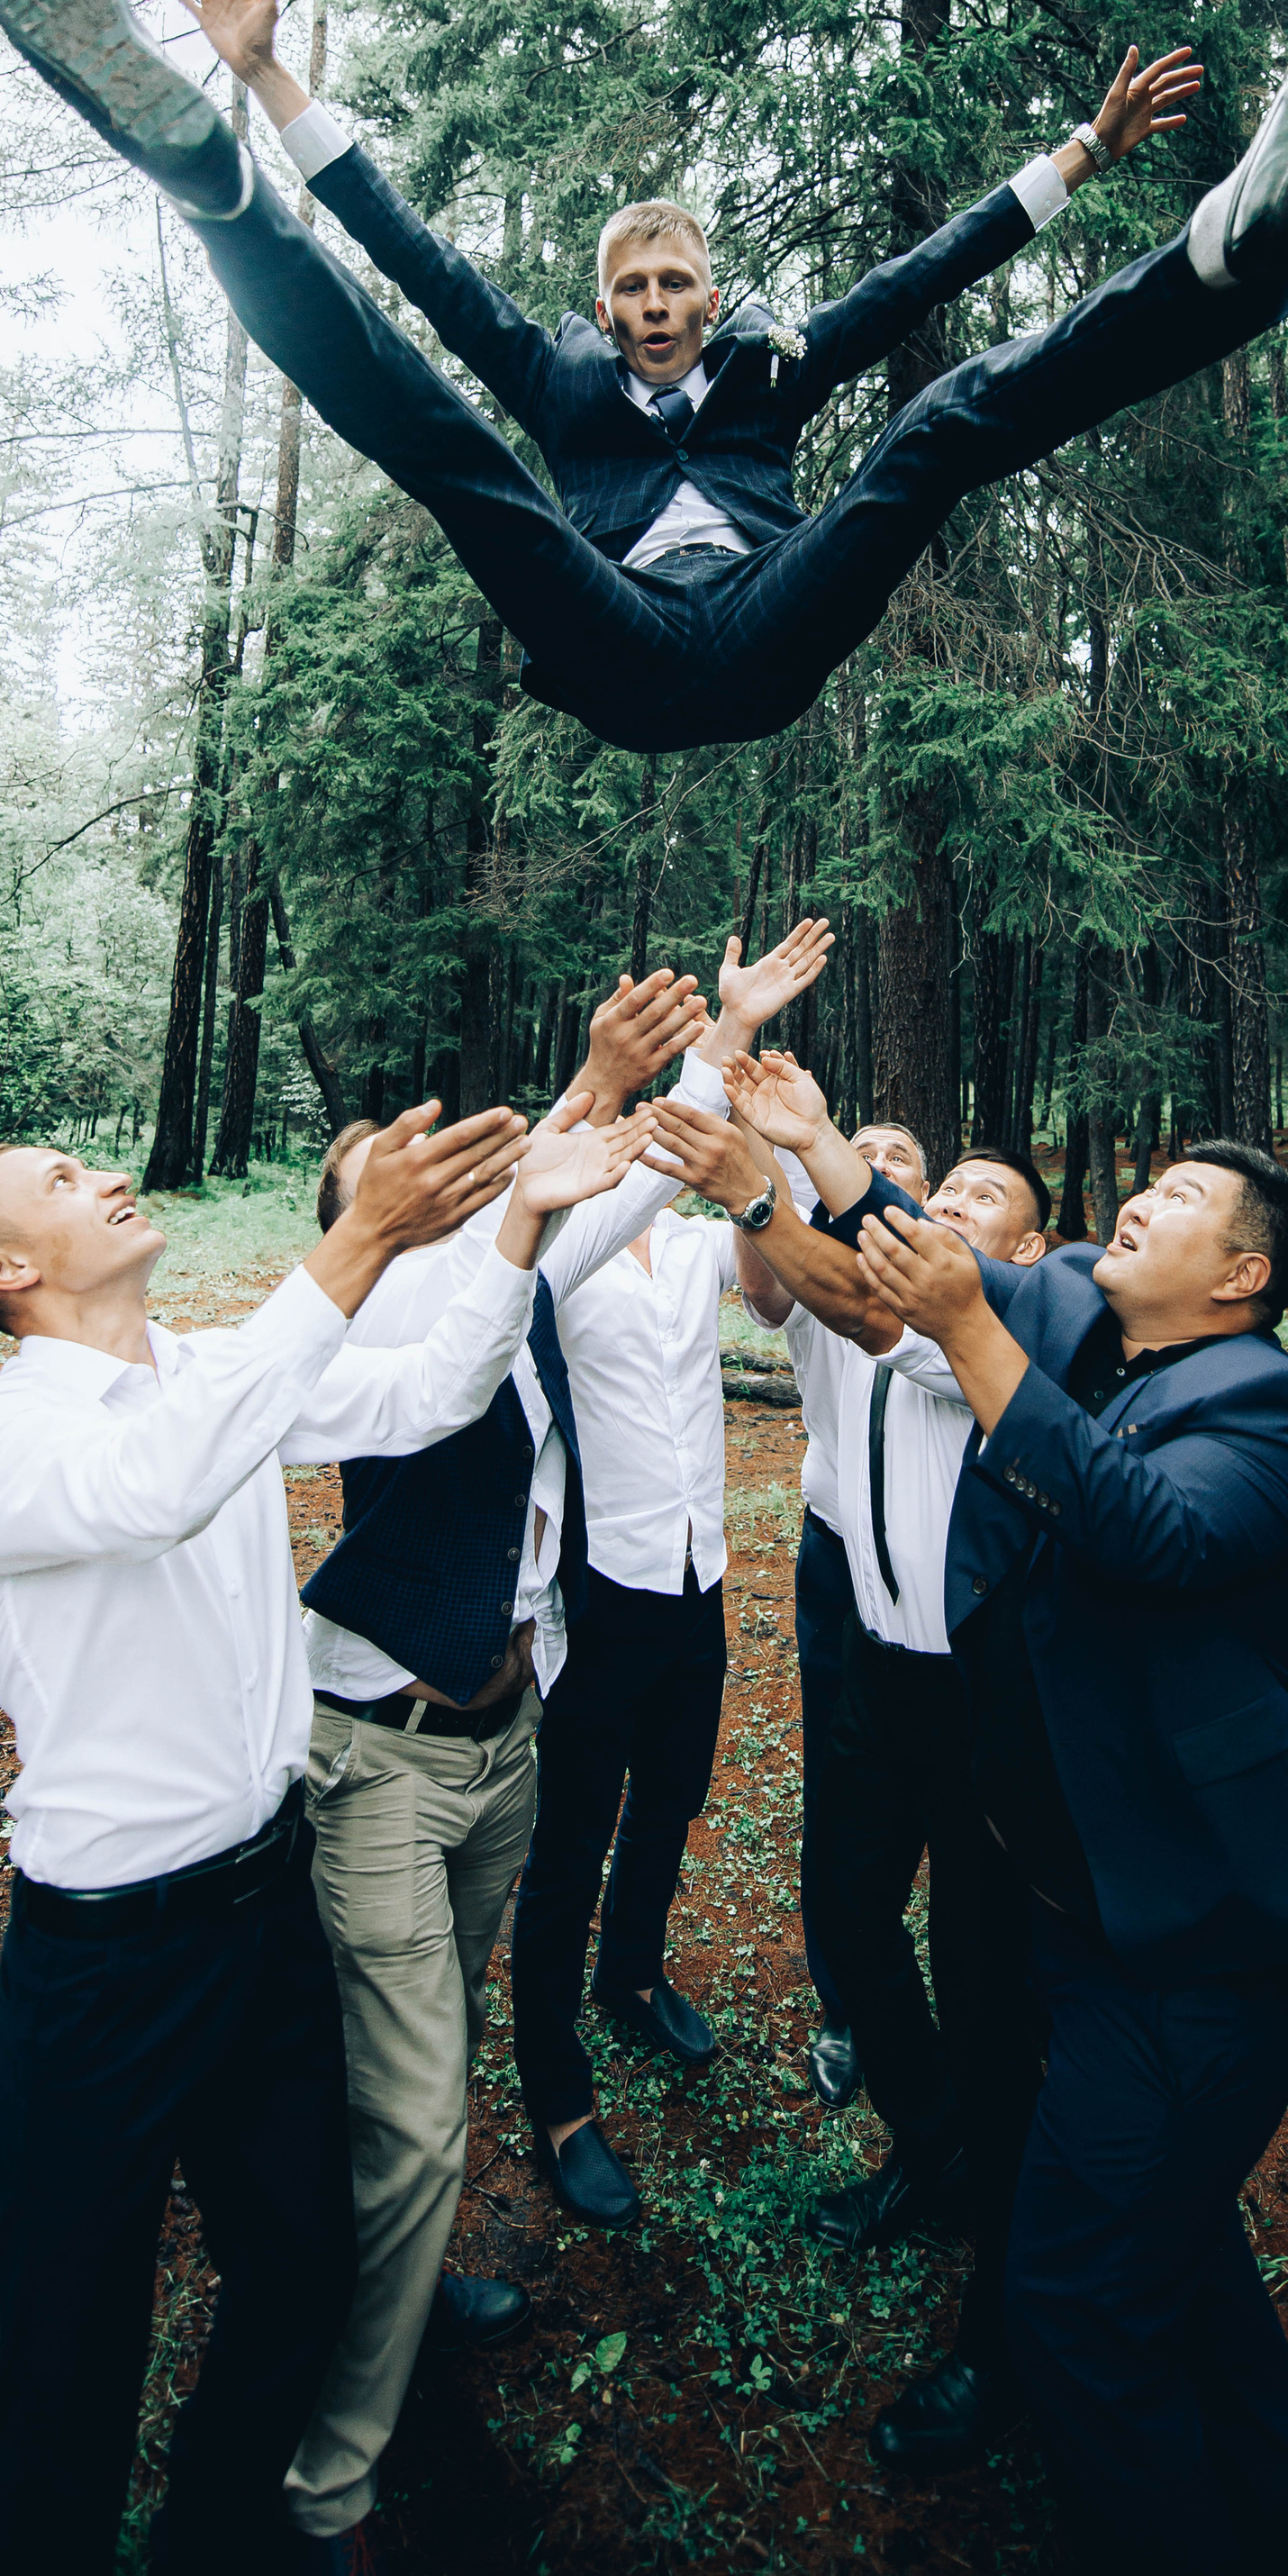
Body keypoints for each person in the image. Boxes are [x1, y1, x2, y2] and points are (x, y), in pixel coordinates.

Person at [0, 0, 1288, 755]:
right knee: (451, 450)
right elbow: (411, 253)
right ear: (605, 308)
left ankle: (1229, 257)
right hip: (615, 638)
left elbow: (928, 274)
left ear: (710, 290)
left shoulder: (772, 366)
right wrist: (270, 76)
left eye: (681, 286)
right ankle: (211, 183)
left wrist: (1084, 158)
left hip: (758, 634)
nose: (662, 310)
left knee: (934, 436)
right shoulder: (556, 376)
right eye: (637, 293)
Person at [0, 1091, 649, 2576]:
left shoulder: (206, 1368)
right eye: (63, 1179)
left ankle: (222, 2559)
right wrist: (368, 1232)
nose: (107, 1170)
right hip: (106, 1960)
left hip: (264, 1919)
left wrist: (516, 1220)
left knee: (305, 2267)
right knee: (71, 2355)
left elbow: (431, 1393)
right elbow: (165, 1482)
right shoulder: (4, 1437)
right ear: (1, 1273)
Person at [274, 941, 817, 2576]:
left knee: (410, 2059)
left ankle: (396, 2256)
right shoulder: (380, 1327)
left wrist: (716, 1052)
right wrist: (587, 1086)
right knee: (417, 2108)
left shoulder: (512, 1282)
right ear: (352, 1226)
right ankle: (328, 2478)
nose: (454, 1180)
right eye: (403, 1174)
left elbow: (615, 1201)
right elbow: (475, 1289)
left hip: (508, 1733)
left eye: (458, 1161)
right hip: (381, 1752)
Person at [816, 1135, 1288, 2576]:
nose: (1141, 1199)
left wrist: (964, 1329)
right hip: (1080, 1914)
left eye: (1186, 1202)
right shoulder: (1083, 1313)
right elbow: (937, 1257)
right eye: (1147, 1185)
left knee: (1075, 2306)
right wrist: (804, 1142)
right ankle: (1285, 2556)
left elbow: (1145, 1529)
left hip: (1202, 1944)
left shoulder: (1282, 1416)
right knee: (1180, 2257)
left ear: (1244, 1277)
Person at [647, 1084, 1057, 2474]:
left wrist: (788, 1169)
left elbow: (898, 1314)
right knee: (845, 1917)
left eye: (973, 1194)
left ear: (1032, 1250)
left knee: (996, 1993)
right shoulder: (841, 1297)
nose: (937, 1202)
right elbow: (816, 1290)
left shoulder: (990, 1326)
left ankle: (1005, 2322)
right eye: (915, 1183)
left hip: (983, 1695)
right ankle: (935, 2148)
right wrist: (768, 1156)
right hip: (869, 1659)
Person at [509, 922, 835, 2228]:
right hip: (598, 1578)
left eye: (659, 1125)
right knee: (567, 1838)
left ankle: (632, 1978)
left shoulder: (692, 1245)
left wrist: (755, 1172)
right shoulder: (549, 1249)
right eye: (627, 1124)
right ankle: (555, 2089)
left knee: (673, 1796)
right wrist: (720, 1037)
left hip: (698, 1570)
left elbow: (767, 1293)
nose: (647, 1140)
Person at [785, 1115, 933, 2113]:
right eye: (861, 1150)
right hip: (837, 1561)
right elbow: (764, 1283)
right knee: (840, 1783)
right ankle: (847, 2005)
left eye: (900, 1159)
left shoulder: (966, 1295)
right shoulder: (810, 1264)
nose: (878, 1167)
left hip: (948, 1588)